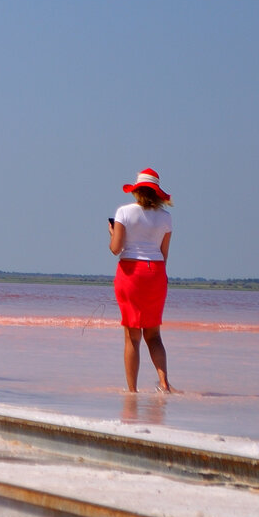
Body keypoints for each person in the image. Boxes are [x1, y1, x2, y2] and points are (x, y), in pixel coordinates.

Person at [109, 168, 174, 393]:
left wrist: (111, 233)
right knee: (154, 334)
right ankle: (164, 381)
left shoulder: (124, 212)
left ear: (137, 190)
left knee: (132, 336)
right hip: (155, 272)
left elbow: (116, 248)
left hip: (131, 272)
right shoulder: (166, 217)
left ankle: (132, 390)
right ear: (157, 193)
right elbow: (164, 254)